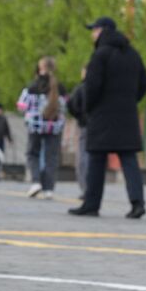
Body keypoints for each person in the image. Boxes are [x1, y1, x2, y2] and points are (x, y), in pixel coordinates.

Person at [69, 17, 146, 218]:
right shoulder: (133, 54)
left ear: (103, 31)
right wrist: (130, 101)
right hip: (127, 115)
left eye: (94, 30)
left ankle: (91, 204)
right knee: (129, 160)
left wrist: (89, 109)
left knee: (96, 160)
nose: (92, 34)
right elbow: (144, 84)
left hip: (102, 115)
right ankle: (137, 203)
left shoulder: (100, 55)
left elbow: (92, 86)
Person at [18, 56, 66, 200]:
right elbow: (65, 106)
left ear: (39, 69)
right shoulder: (60, 87)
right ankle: (49, 188)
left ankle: (36, 181)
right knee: (51, 157)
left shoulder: (33, 86)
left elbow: (21, 105)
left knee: (33, 153)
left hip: (36, 125)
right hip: (54, 126)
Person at [66, 65, 89, 195]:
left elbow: (71, 105)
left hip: (84, 125)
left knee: (83, 157)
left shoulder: (80, 89)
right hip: (98, 127)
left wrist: (79, 116)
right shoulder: (102, 88)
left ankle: (85, 188)